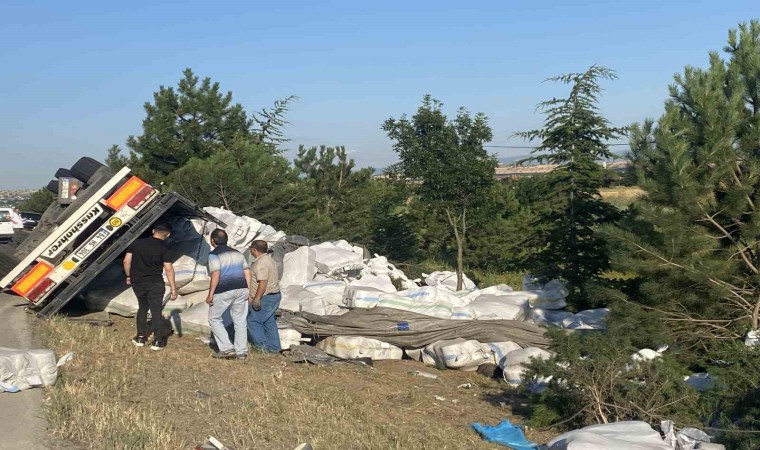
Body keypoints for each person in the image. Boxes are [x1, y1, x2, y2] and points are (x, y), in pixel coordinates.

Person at [123, 223, 177, 350]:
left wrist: (129, 276)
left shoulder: (136, 243)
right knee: (156, 311)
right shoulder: (165, 249)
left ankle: (140, 337)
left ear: (153, 231)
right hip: (155, 283)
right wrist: (174, 288)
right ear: (168, 234)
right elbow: (168, 269)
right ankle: (158, 341)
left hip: (138, 282)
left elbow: (126, 261)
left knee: (142, 307)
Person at [206, 229, 250, 359]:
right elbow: (247, 272)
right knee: (240, 320)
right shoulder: (238, 254)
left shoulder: (214, 255)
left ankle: (227, 348)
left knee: (214, 319)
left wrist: (210, 294)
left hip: (224, 289)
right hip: (242, 288)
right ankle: (242, 351)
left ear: (212, 241)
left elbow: (216, 274)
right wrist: (249, 290)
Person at [248, 240, 281, 353]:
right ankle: (274, 347)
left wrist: (257, 298)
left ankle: (262, 348)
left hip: (265, 297)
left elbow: (263, 283)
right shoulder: (269, 260)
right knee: (269, 321)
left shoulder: (260, 263)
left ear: (254, 250)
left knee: (253, 321)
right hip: (274, 295)